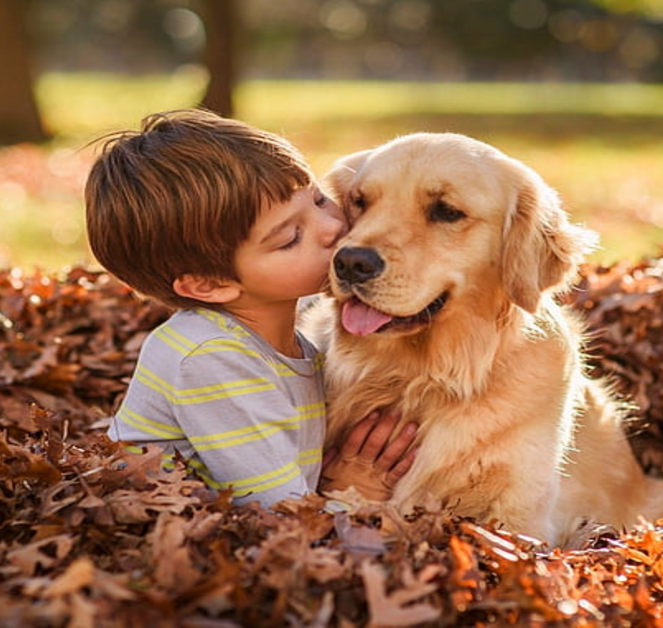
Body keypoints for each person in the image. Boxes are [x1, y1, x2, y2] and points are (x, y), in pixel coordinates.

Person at [85, 109, 416, 508]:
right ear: (210, 284)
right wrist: (352, 491)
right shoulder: (212, 359)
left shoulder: (281, 339)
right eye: (291, 237)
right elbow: (279, 518)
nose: (331, 227)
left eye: (318, 199)